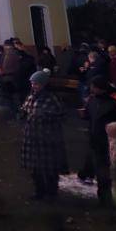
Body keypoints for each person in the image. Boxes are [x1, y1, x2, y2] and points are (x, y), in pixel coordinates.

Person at [19, 70, 68, 200]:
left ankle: (51, 192)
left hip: (48, 138)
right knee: (36, 168)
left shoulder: (52, 98)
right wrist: (22, 113)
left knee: (49, 167)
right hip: (33, 137)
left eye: (35, 84)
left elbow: (60, 114)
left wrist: (45, 116)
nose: (33, 86)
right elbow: (25, 108)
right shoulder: (32, 96)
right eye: (32, 83)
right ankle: (39, 191)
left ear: (43, 84)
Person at [83, 75, 116, 206]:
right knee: (99, 168)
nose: (91, 88)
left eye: (93, 86)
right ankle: (103, 196)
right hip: (95, 139)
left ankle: (109, 198)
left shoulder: (113, 103)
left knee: (107, 170)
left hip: (108, 141)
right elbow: (88, 116)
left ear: (100, 88)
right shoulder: (93, 100)